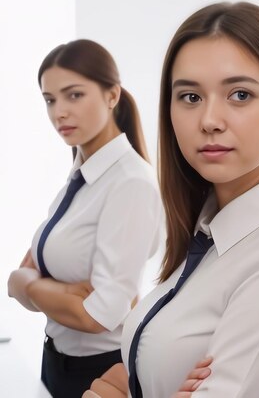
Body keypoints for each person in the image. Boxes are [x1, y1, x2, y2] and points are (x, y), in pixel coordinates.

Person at [87, 2, 259, 398]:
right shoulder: (205, 231)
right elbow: (131, 377)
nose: (210, 120)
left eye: (239, 94)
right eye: (190, 97)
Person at [7, 39, 163, 398]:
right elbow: (36, 267)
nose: (59, 112)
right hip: (55, 361)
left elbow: (99, 315)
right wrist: (64, 294)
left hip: (98, 374)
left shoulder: (130, 183)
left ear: (112, 95)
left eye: (74, 95)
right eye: (50, 99)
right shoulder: (80, 178)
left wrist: (24, 285)